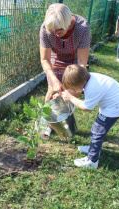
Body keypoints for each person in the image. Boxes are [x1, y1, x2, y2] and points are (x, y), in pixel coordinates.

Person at [57, 64, 119, 168]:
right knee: (96, 129)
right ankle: (93, 148)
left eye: (73, 88)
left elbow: (87, 107)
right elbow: (77, 90)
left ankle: (92, 160)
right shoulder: (89, 78)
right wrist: (64, 94)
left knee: (97, 132)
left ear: (80, 84)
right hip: (114, 105)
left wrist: (71, 98)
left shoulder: (92, 88)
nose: (73, 90)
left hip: (114, 108)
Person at [40, 3, 90, 139]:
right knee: (52, 92)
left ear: (68, 21)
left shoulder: (82, 28)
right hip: (55, 62)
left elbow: (82, 62)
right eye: (53, 30)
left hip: (74, 64)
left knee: (71, 95)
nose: (56, 33)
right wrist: (55, 82)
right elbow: (45, 60)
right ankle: (47, 124)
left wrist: (72, 89)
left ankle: (65, 125)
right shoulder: (45, 28)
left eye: (60, 29)